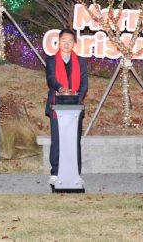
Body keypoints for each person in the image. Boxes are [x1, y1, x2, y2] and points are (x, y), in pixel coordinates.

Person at [45, 28, 88, 185]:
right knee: (57, 140)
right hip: (57, 106)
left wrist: (78, 97)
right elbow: (50, 78)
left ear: (74, 44)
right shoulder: (51, 60)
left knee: (73, 141)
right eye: (64, 40)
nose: (67, 43)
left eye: (70, 41)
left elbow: (84, 83)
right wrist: (61, 89)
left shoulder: (81, 61)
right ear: (59, 41)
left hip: (75, 107)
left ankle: (75, 171)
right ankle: (55, 172)